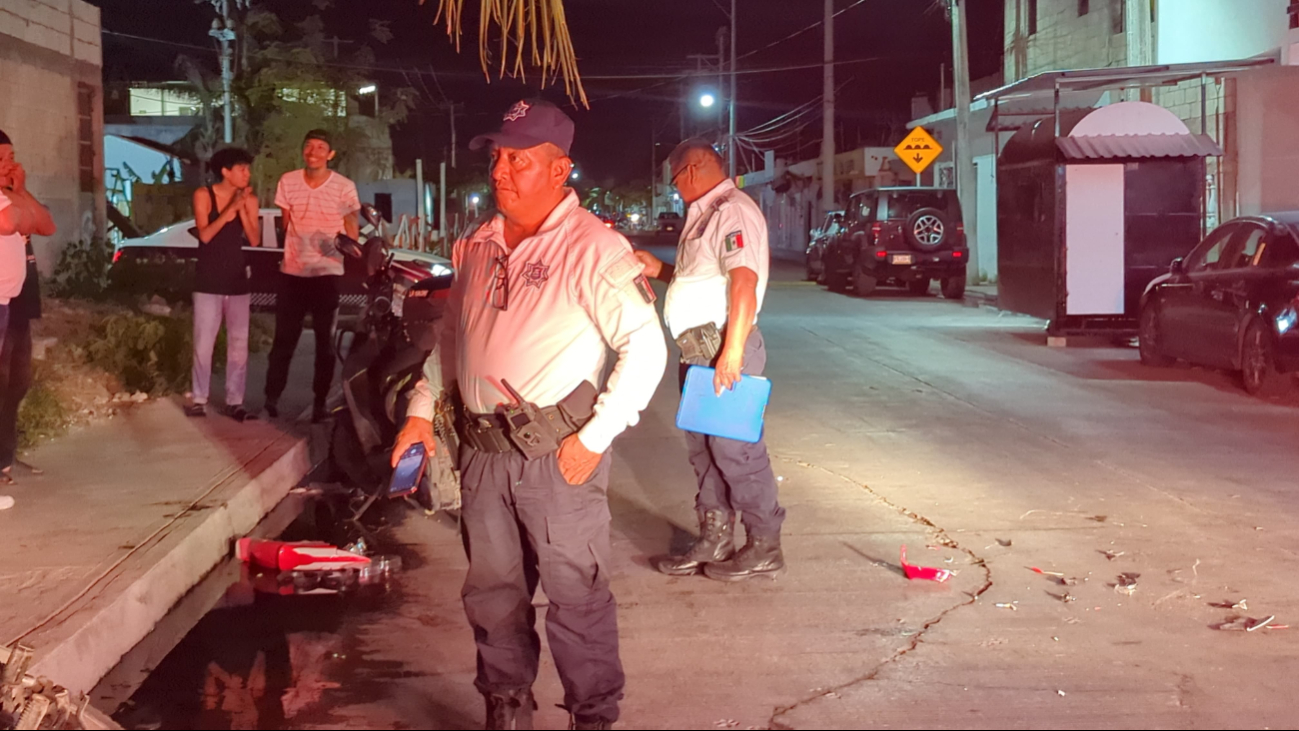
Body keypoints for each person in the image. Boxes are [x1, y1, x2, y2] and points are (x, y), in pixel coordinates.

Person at [391, 99, 667, 731]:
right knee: (493, 595)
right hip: (483, 455)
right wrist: (419, 413)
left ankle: (592, 716)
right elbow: (453, 345)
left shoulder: (595, 247)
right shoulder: (477, 245)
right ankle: (507, 706)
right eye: (497, 157)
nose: (500, 171)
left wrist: (595, 438)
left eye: (519, 159)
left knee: (576, 597)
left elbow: (646, 347)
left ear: (560, 168)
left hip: (555, 456)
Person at [636, 138, 787, 582]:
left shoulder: (731, 211)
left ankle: (765, 544)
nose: (674, 186)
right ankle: (715, 535)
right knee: (704, 452)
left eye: (676, 176)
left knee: (737, 452)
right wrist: (659, 271)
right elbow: (704, 280)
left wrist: (733, 352)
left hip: (722, 347)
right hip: (698, 352)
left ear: (695, 168)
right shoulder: (704, 214)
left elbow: (743, 282)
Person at [264, 130, 359, 422]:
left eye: (320, 147)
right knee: (283, 341)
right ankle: (271, 399)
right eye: (308, 146)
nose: (313, 152)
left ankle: (320, 404)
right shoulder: (288, 181)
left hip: (326, 274)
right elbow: (286, 222)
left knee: (325, 344)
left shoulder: (344, 187)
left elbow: (351, 229)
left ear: (330, 155)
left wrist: (345, 245)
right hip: (292, 273)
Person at [0, 129, 56, 508]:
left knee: (18, 381)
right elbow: (17, 223)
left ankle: (6, 453)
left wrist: (20, 190)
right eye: (4, 158)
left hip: (17, 303)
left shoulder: (11, 195)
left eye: (13, 157)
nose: (11, 165)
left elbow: (45, 224)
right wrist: (20, 203)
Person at [186, 147, 261, 421]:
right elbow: (205, 235)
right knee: (204, 341)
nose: (247, 174)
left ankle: (235, 400)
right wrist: (230, 209)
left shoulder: (249, 201)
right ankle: (199, 398)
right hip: (208, 277)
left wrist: (243, 209)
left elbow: (254, 239)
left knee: (239, 342)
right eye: (242, 169)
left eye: (247, 169)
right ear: (226, 172)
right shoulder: (203, 195)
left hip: (237, 278)